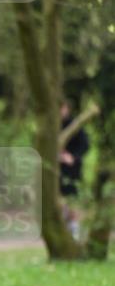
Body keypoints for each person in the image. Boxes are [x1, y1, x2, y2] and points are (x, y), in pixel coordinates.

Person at [59, 100, 90, 240]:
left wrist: (73, 158)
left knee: (72, 199)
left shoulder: (75, 125)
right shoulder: (51, 126)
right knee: (59, 201)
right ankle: (65, 229)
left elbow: (85, 145)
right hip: (55, 170)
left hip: (72, 169)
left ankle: (75, 230)